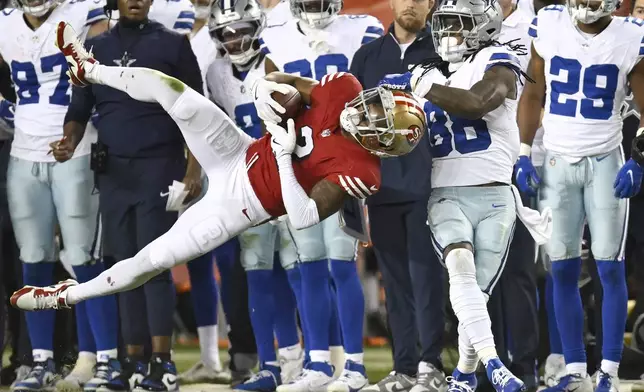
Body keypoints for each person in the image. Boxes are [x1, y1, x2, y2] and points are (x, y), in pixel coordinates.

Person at [12, 15, 427, 365]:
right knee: (170, 91)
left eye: (378, 117)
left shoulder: (361, 170)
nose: (368, 109)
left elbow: (300, 216)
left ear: (383, 142)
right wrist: (268, 97)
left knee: (150, 261)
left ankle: (66, 296)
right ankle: (89, 69)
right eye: (376, 103)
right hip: (238, 149)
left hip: (242, 205)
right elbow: (280, 81)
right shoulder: (345, 88)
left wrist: (284, 156)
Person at [379, 0, 551, 392]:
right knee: (460, 272)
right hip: (445, 194)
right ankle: (495, 366)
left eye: (459, 25)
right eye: (444, 25)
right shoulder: (427, 72)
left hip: (494, 196)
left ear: (484, 27)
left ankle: (463, 375)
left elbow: (477, 103)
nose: (448, 34)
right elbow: (401, 138)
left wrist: (422, 87)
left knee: (474, 294)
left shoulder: (501, 60)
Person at [52, 0, 203, 389]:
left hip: (160, 166)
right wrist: (69, 140)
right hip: (114, 171)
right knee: (120, 268)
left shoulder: (173, 43)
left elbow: (196, 110)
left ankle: (162, 363)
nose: (136, 0)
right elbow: (80, 106)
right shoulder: (96, 48)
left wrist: (193, 168)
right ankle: (130, 362)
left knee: (153, 264)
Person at [515, 0, 644, 390]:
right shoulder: (549, 24)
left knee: (609, 266)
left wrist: (639, 157)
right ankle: (574, 370)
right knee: (563, 268)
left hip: (606, 158)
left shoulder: (631, 36)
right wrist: (523, 153)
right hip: (556, 160)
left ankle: (608, 371)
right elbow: (534, 94)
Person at [259, 2, 384, 390]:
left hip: (340, 165)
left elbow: (372, 101)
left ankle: (355, 367)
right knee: (309, 264)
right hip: (299, 166)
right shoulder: (275, 33)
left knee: (341, 263)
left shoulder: (362, 28)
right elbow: (268, 97)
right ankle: (317, 364)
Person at [0, 0, 113, 391]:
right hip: (23, 151)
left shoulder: (83, 13)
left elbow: (109, 64)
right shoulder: (6, 23)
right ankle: (40, 362)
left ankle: (101, 359)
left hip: (78, 150)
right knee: (33, 260)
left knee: (84, 260)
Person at [204, 1, 304, 391]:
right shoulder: (214, 72)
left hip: (289, 179)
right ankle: (268, 363)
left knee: (299, 273)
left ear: (256, 27)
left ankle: (308, 357)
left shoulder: (278, 59)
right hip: (249, 185)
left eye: (240, 29)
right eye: (226, 33)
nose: (234, 38)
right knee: (257, 273)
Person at [350, 1, 448, 391]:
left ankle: (431, 365)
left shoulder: (444, 50)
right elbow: (350, 124)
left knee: (428, 279)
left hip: (433, 182)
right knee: (395, 282)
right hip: (384, 185)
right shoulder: (367, 56)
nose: (412, 4)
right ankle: (404, 366)